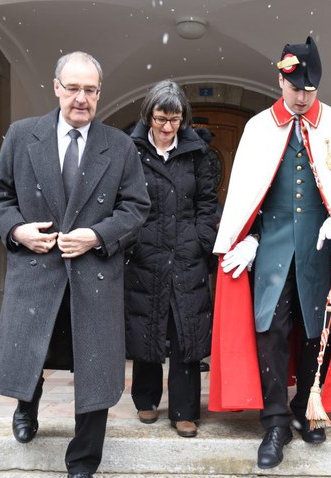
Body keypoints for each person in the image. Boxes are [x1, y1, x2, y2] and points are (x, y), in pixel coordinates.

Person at [209, 37, 331, 469]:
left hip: (321, 245)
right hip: (270, 247)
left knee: (317, 331)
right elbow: (247, 195)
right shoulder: (257, 127)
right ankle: (274, 421)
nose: (302, 98)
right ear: (281, 80)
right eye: (295, 89)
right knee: (270, 331)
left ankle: (307, 407)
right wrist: (249, 237)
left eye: (309, 90)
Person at [0, 52, 150, 478]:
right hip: (37, 268)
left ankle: (83, 461)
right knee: (35, 350)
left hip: (93, 274)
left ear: (100, 93)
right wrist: (17, 231)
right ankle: (27, 406)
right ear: (57, 87)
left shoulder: (118, 145)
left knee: (95, 366)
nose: (82, 98)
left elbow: (137, 207)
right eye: (74, 88)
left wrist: (98, 235)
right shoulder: (23, 135)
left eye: (91, 90)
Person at [124, 80, 218, 438]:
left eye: (175, 119)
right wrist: (133, 243)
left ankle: (184, 409)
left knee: (185, 332)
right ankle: (146, 400)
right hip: (144, 253)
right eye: (161, 119)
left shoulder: (198, 153)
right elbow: (123, 201)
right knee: (147, 323)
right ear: (148, 115)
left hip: (186, 253)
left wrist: (201, 241)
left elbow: (207, 203)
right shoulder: (130, 150)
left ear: (183, 118)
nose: (167, 127)